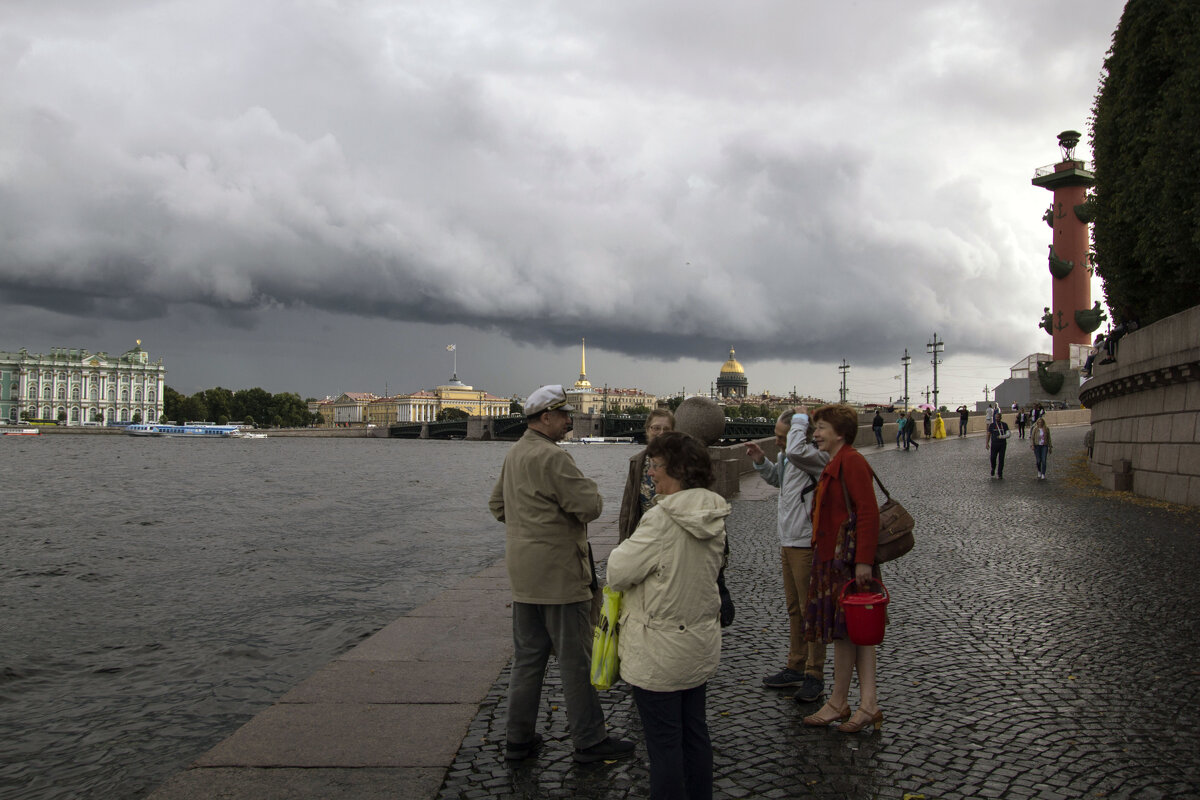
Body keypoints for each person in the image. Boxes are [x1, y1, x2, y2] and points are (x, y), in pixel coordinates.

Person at [489, 384, 635, 764]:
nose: (571, 421)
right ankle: (589, 739)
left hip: (523, 578)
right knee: (575, 660)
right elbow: (590, 506)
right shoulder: (554, 459)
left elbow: (497, 506)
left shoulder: (515, 453)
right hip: (560, 577)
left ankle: (518, 740)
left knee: (527, 660)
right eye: (565, 415)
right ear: (546, 418)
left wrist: (529, 523)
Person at [608, 432, 730, 799]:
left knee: (663, 747)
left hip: (659, 651)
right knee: (695, 735)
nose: (651, 476)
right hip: (696, 645)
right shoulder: (715, 514)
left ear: (677, 470)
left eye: (656, 467)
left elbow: (617, 571)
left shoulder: (661, 519)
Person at [801, 404, 884, 734]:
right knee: (853, 633)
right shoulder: (839, 460)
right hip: (836, 558)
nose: (816, 434)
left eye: (821, 428)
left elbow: (868, 512)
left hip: (846, 561)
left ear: (840, 432)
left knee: (850, 633)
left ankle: (847, 703)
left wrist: (863, 559)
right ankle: (864, 704)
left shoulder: (851, 461)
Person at [745, 408, 830, 703]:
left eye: (782, 437)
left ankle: (814, 674)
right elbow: (781, 481)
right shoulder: (787, 457)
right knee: (795, 609)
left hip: (806, 544)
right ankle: (795, 665)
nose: (778, 442)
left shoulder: (812, 456)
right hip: (788, 541)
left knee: (811, 611)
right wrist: (761, 462)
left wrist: (800, 419)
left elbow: (794, 450)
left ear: (798, 433)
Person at [618, 409, 676, 543]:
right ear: (647, 430)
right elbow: (628, 504)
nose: (661, 433)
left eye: (666, 429)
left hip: (673, 535)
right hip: (644, 535)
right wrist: (624, 539)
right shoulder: (637, 462)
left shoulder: (682, 461)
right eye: (656, 428)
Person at [985, 410, 1011, 479]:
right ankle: (993, 468)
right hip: (994, 444)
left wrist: (1003, 436)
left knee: (1001, 459)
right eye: (996, 417)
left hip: (1002, 444)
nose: (997, 419)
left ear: (1001, 418)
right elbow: (989, 434)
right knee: (993, 458)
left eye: (998, 417)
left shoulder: (1004, 425)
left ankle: (1000, 473)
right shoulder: (992, 425)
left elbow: (1008, 434)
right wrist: (987, 443)